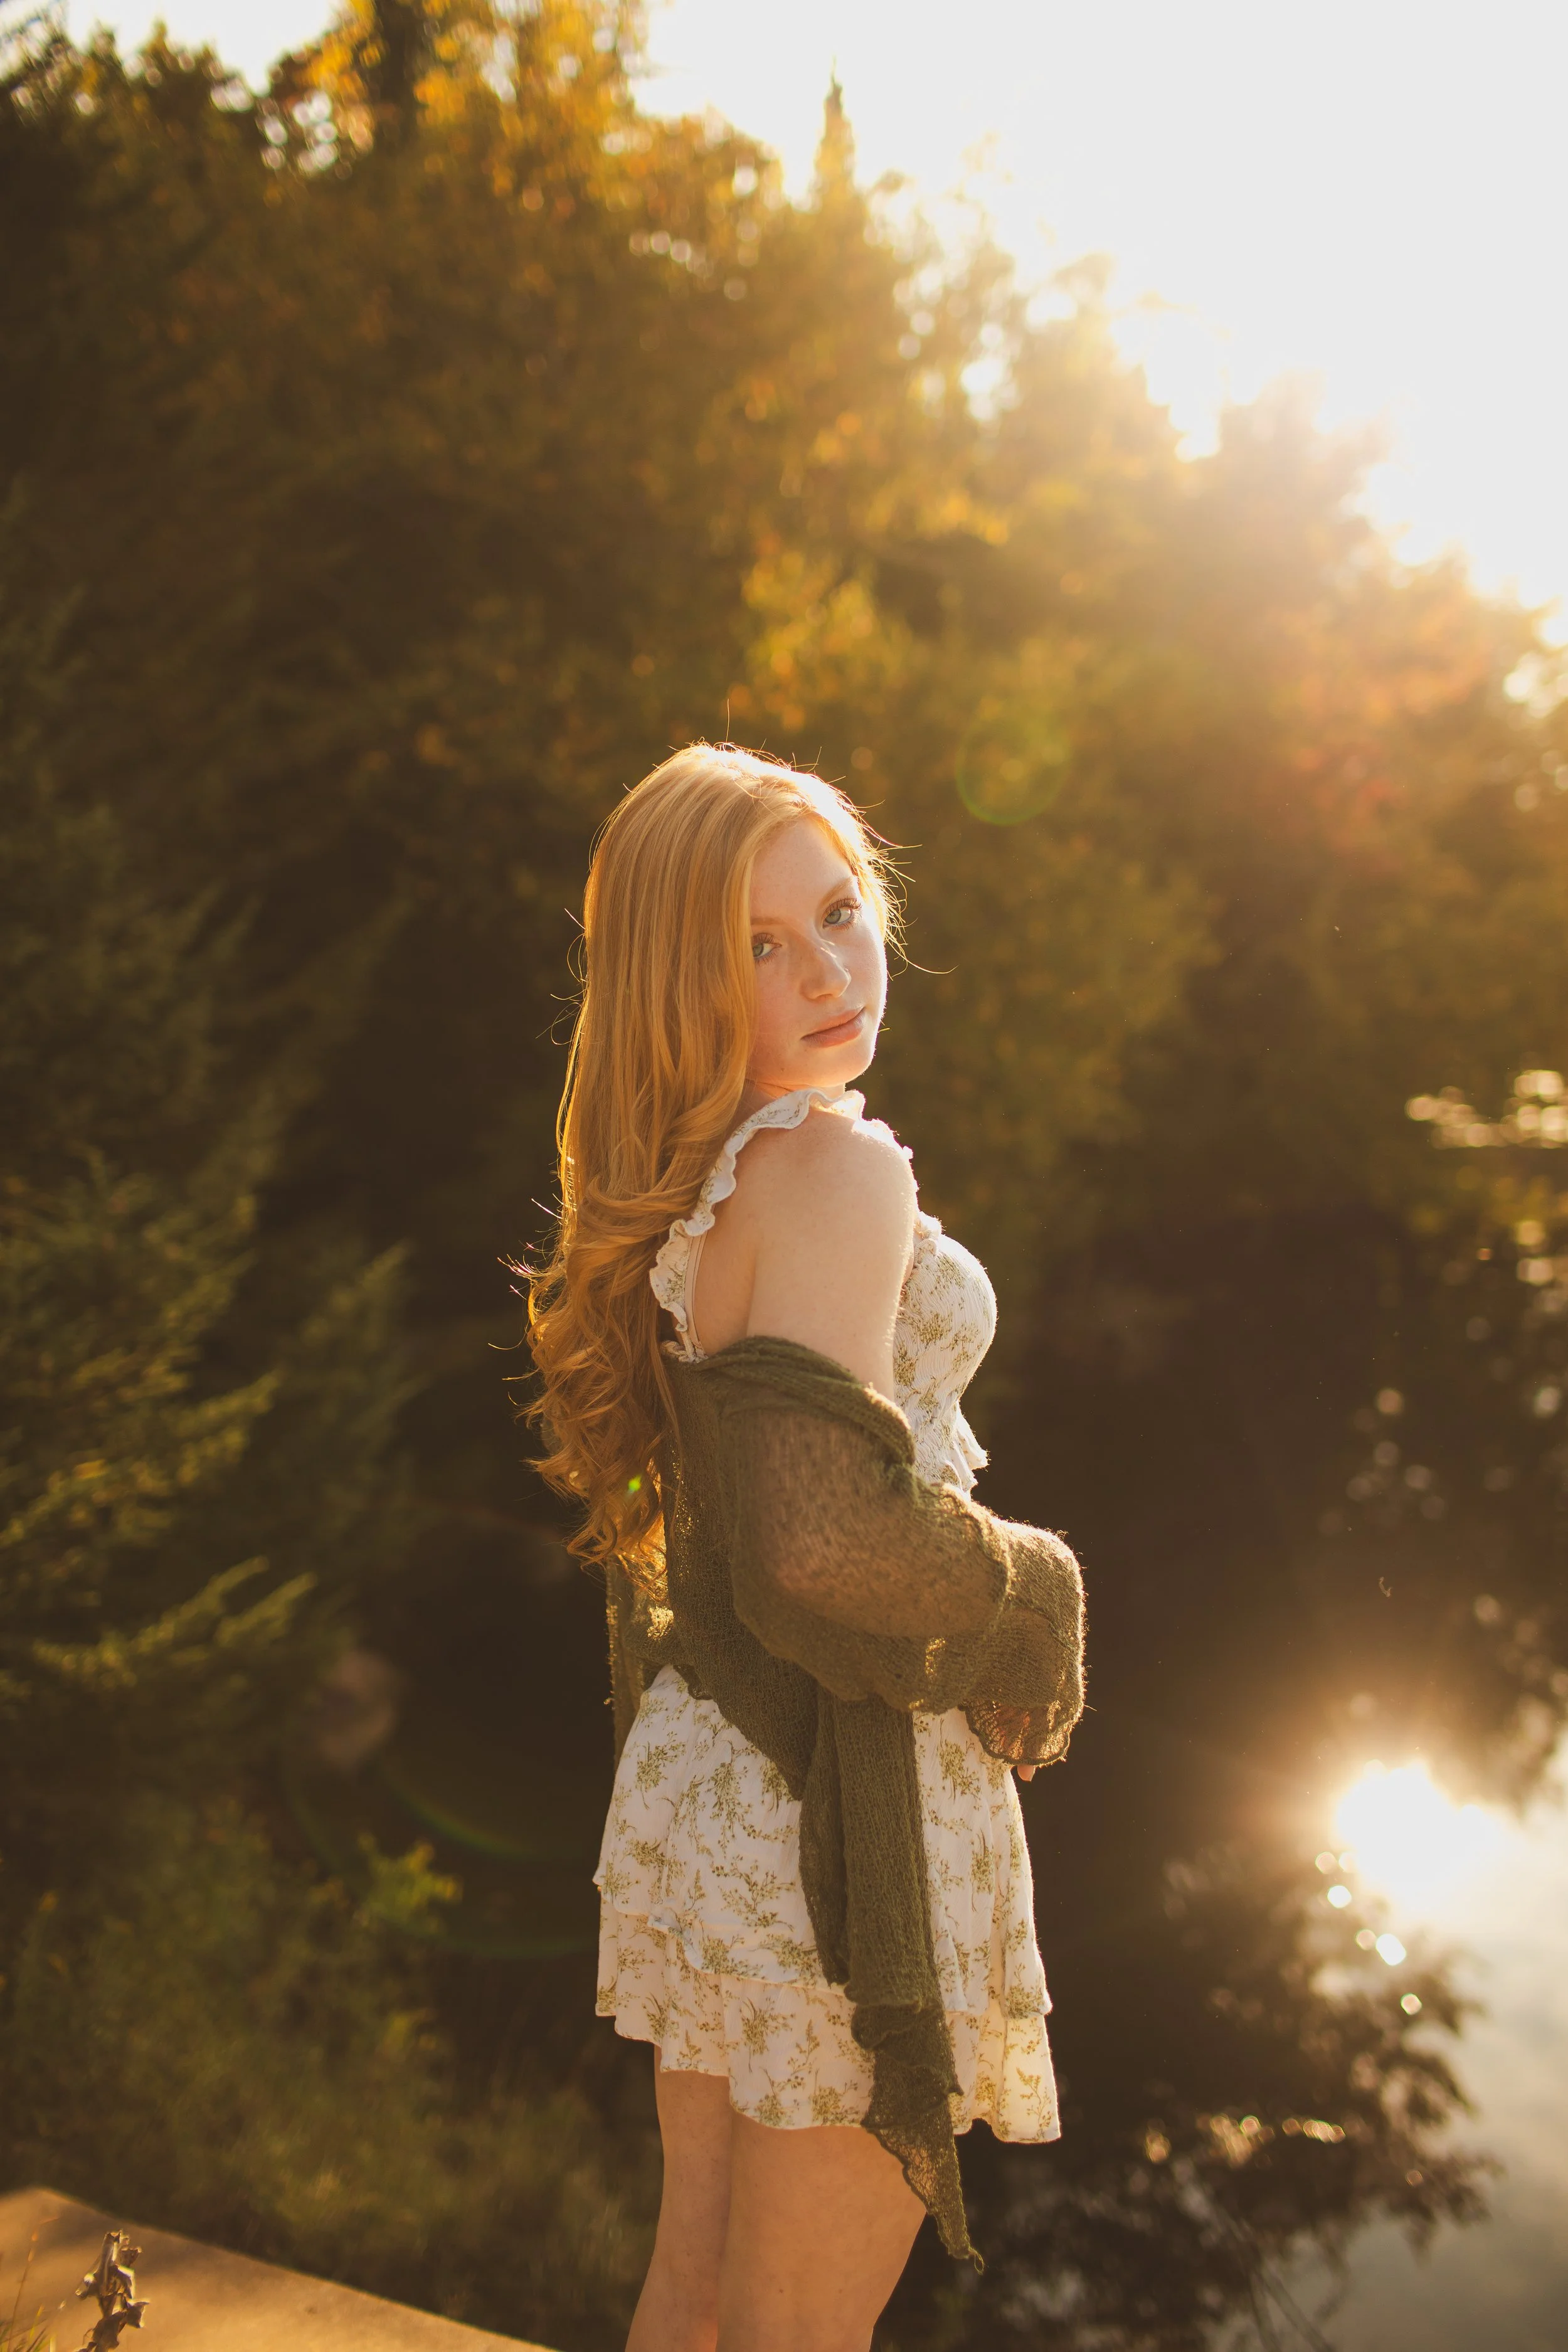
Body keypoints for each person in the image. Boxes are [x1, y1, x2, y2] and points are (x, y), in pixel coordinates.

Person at [526, 744, 1086, 2352]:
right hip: (834, 1818)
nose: (828, 973)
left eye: (839, 914)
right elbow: (816, 1544)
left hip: (715, 1787)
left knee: (696, 2288)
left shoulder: (707, 1173)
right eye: (753, 949)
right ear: (675, 985)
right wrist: (1028, 1591)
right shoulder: (834, 1167)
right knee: (795, 2331)